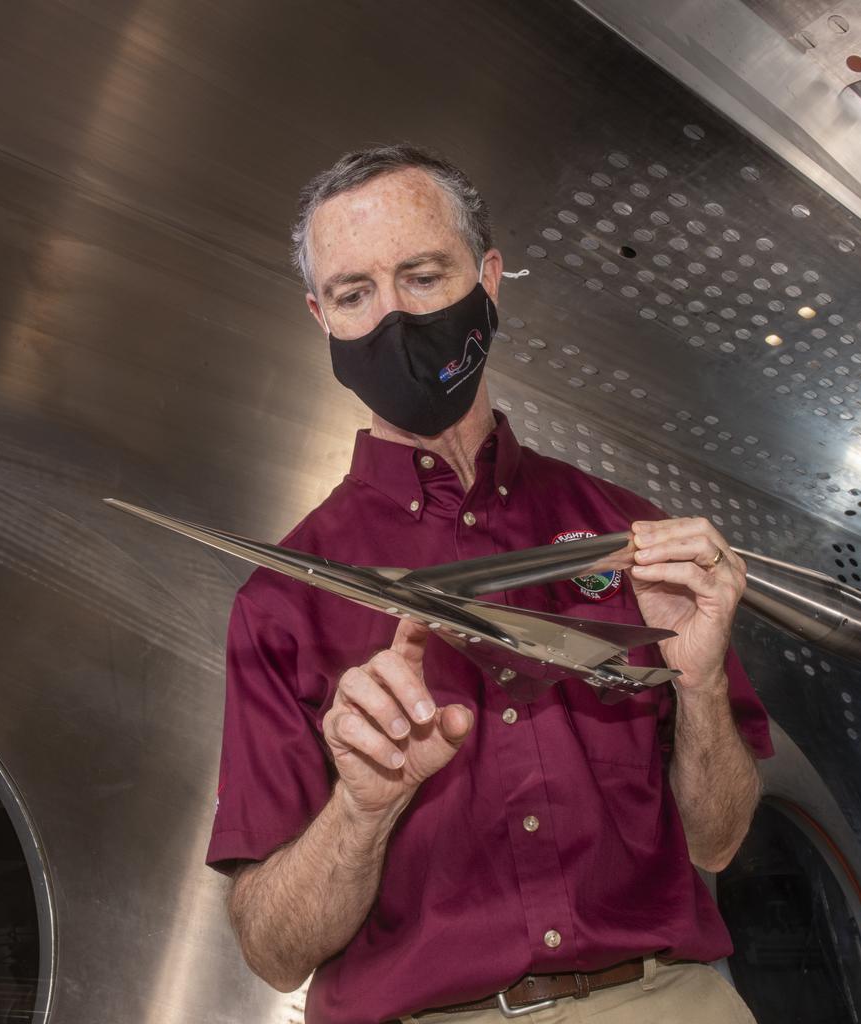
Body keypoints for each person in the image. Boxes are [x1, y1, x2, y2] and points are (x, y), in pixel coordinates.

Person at [207, 144, 772, 1024]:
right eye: (355, 295)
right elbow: (273, 953)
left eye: (423, 276)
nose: (394, 318)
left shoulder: (633, 533)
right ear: (322, 317)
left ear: (489, 279)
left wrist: (698, 684)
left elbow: (720, 840)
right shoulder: (282, 601)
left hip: (663, 998)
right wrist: (363, 808)